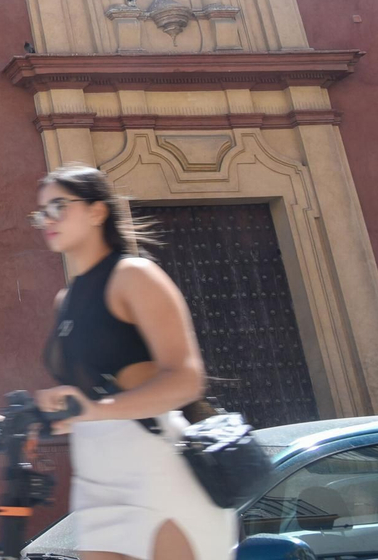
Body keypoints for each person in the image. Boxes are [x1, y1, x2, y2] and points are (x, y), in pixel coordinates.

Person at [28, 164, 236, 560]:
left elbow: (187, 380)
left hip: (156, 465)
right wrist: (46, 412)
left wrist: (95, 409)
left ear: (96, 211)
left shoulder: (134, 275)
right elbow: (90, 392)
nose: (47, 221)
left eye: (58, 206)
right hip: (95, 473)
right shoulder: (65, 300)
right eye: (41, 213)